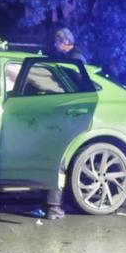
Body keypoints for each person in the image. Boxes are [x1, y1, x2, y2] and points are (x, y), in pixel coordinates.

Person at [41, 28, 87, 220]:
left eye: (58, 42)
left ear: (66, 41)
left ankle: (54, 206)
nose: (55, 45)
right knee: (60, 162)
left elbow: (76, 86)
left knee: (59, 162)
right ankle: (55, 205)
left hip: (68, 113)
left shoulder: (75, 59)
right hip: (66, 113)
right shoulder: (68, 57)